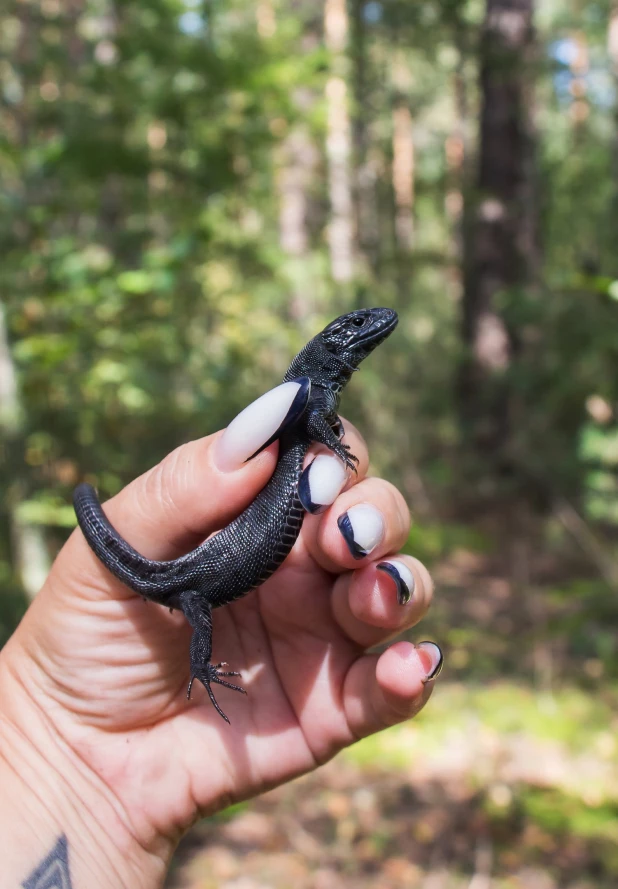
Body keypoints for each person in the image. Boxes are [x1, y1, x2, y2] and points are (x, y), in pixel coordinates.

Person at [0, 387, 441, 887]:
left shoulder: (304, 421)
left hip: (203, 585)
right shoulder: (302, 419)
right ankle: (201, 668)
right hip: (196, 589)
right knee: (199, 630)